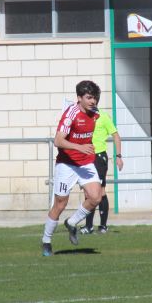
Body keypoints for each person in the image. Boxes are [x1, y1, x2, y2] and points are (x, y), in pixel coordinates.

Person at [41, 80, 104, 257]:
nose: (93, 101)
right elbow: (58, 140)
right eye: (89, 98)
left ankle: (72, 222)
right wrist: (79, 147)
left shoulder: (95, 113)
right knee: (60, 203)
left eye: (95, 98)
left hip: (85, 162)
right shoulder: (71, 114)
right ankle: (46, 241)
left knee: (96, 197)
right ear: (79, 98)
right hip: (66, 164)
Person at [80, 108, 123, 235]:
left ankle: (103, 226)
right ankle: (88, 226)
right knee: (88, 192)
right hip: (85, 157)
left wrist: (119, 156)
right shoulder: (82, 117)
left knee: (100, 191)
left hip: (98, 157)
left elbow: (116, 135)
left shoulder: (103, 116)